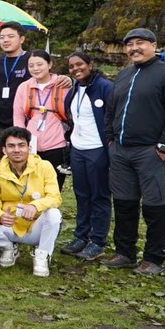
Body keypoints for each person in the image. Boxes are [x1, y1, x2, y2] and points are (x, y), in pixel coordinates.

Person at [102, 28, 165, 275]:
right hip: (120, 151)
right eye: (130, 45)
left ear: (154, 45)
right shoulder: (124, 75)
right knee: (124, 203)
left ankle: (154, 258)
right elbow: (111, 110)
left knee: (154, 205)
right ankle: (125, 252)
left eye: (140, 43)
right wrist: (110, 139)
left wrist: (164, 145)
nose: (134, 48)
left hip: (151, 151)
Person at [0, 127, 62, 277]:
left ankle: (42, 255)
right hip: (10, 225)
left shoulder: (44, 166)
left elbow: (55, 197)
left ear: (29, 147)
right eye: (11, 146)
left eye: (21, 145)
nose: (17, 150)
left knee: (53, 214)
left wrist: (35, 205)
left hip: (36, 224)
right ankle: (9, 248)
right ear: (4, 150)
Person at [61, 51, 112, 261]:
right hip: (78, 149)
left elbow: (113, 117)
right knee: (81, 194)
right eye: (71, 67)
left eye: (79, 64)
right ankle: (81, 236)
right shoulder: (74, 89)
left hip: (98, 148)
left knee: (99, 195)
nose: (75, 69)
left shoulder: (105, 87)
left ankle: (98, 240)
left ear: (90, 64)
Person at [12, 50, 70, 189]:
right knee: (31, 186)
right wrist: (21, 141)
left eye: (40, 64)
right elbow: (18, 116)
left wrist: (70, 79)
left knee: (53, 187)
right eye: (31, 65)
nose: (35, 68)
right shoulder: (24, 87)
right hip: (31, 145)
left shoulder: (63, 85)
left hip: (57, 144)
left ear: (49, 64)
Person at [0, 21, 30, 166]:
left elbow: (46, 77)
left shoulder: (31, 61)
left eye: (10, 36)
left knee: (23, 165)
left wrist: (65, 79)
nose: (5, 40)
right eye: (2, 37)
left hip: (25, 123)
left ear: (21, 39)